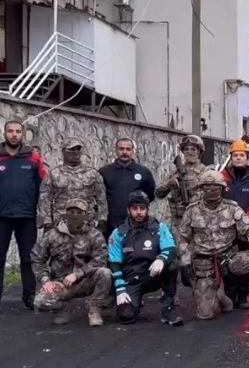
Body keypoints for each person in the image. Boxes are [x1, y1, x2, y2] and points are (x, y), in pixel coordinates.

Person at [177, 170, 249, 321]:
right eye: (207, 186)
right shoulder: (192, 211)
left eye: (215, 186)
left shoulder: (232, 208)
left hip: (230, 259)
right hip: (205, 262)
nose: (211, 190)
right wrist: (185, 262)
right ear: (201, 188)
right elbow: (182, 238)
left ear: (222, 188)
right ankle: (221, 296)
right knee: (205, 314)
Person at [31, 199, 113, 327]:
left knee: (105, 273)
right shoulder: (52, 235)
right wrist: (45, 280)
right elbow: (37, 257)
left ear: (86, 215)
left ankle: (94, 309)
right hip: (61, 283)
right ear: (66, 214)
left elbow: (100, 260)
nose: (75, 216)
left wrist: (78, 274)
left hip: (86, 281)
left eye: (79, 212)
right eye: (72, 212)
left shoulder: (94, 235)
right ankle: (62, 308)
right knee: (40, 302)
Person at [107, 191, 183, 326]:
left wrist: (161, 259)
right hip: (131, 279)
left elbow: (170, 248)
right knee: (126, 317)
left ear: (147, 209)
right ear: (128, 210)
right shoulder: (118, 233)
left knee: (172, 265)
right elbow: (114, 262)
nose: (138, 212)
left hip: (152, 274)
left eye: (142, 208)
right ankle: (133, 301)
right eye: (134, 209)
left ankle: (168, 308)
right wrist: (120, 289)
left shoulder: (159, 227)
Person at [0, 120, 47, 308]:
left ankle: (29, 296)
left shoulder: (33, 157)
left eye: (17, 131)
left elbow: (45, 186)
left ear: (23, 134)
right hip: (1, 217)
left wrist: (42, 212)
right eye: (10, 131)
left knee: (28, 258)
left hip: (27, 217)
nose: (14, 134)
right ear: (4, 133)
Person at [222, 139, 249, 309]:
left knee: (244, 259)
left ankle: (243, 296)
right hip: (225, 226)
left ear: (248, 158)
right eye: (235, 155)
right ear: (231, 157)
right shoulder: (222, 177)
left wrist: (245, 218)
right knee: (226, 260)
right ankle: (229, 295)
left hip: (246, 225)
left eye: (242, 155)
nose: (238, 158)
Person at [38, 138, 108, 233]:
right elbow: (45, 200)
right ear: (63, 152)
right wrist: (47, 223)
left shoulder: (93, 174)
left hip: (87, 225)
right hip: (60, 225)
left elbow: (102, 199)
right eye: (72, 149)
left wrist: (102, 220)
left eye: (78, 149)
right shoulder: (53, 174)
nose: (76, 152)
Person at [154, 134, 211, 237]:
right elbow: (158, 193)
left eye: (193, 149)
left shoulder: (206, 172)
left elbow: (212, 196)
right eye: (187, 149)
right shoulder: (175, 172)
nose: (190, 152)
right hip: (178, 223)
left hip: (200, 222)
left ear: (199, 152)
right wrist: (169, 184)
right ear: (183, 152)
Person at [98, 138, 156, 238]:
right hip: (112, 223)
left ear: (133, 151)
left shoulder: (144, 172)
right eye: (121, 149)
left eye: (128, 149)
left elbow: (150, 195)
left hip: (137, 223)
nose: (124, 152)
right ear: (115, 150)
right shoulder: (104, 172)